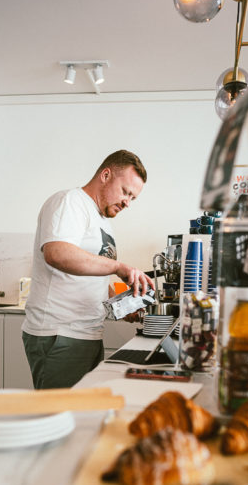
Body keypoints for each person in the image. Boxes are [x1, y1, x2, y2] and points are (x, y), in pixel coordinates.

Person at [22, 150, 154, 389]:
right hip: (60, 334)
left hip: (87, 334)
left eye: (133, 198)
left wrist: (121, 306)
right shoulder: (70, 202)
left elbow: (92, 278)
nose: (127, 202)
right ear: (106, 175)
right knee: (63, 410)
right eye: (125, 192)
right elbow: (57, 253)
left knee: (82, 410)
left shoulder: (102, 220)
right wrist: (118, 267)